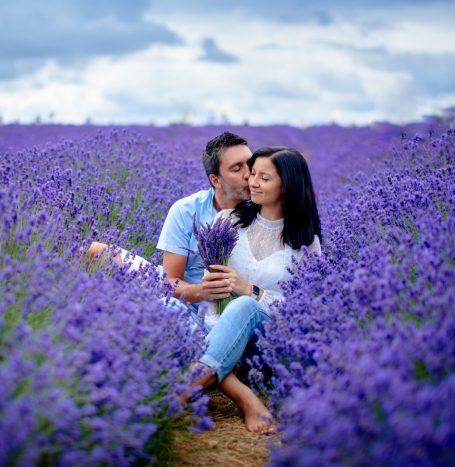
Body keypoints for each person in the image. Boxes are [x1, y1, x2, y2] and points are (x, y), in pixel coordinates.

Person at [186, 146, 322, 434]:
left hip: (261, 347)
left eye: (264, 177)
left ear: (289, 185)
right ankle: (238, 392)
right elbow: (212, 295)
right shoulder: (228, 222)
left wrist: (251, 291)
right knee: (167, 307)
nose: (252, 183)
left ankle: (182, 390)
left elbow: (307, 311)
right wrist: (210, 294)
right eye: (253, 174)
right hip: (215, 329)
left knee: (244, 306)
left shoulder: (306, 243)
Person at [88, 131, 252, 300]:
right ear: (216, 180)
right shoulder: (186, 210)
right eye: (237, 169)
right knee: (93, 250)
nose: (248, 175)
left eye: (251, 164)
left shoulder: (266, 208)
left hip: (236, 303)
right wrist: (201, 292)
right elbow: (171, 281)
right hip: (187, 296)